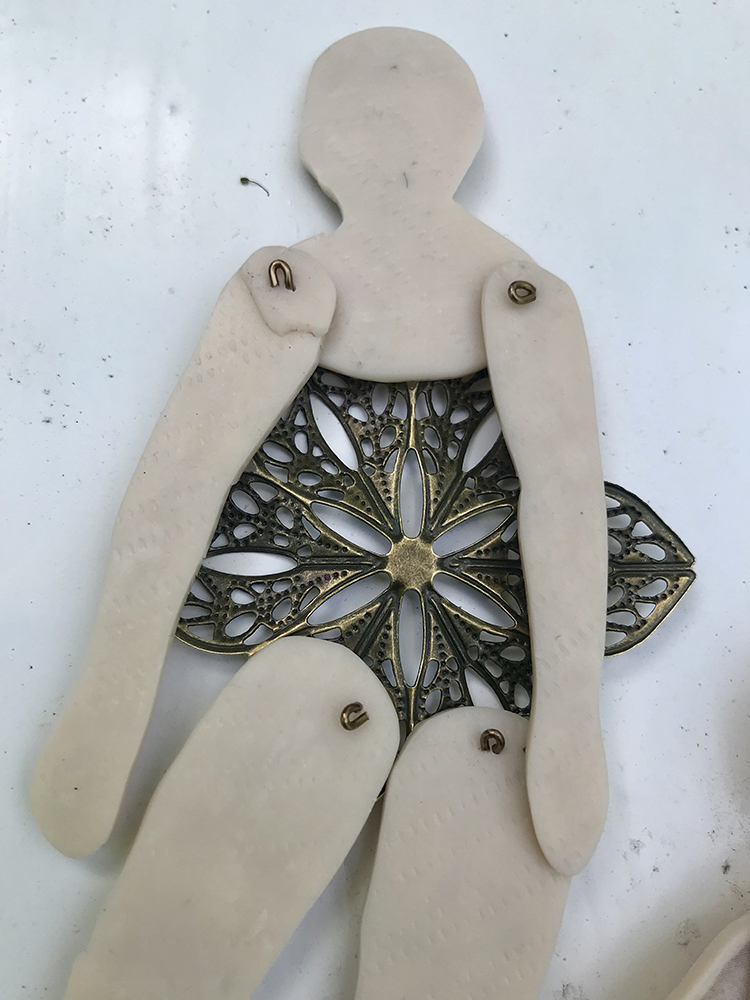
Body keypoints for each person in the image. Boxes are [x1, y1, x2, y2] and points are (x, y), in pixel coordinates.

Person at [32, 28, 609, 1000]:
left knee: (465, 814)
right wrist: (107, 705)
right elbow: (177, 486)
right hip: (329, 705)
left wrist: (572, 728)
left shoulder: (513, 300)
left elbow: (568, 501)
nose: (388, 150)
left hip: (466, 743)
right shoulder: (302, 290)